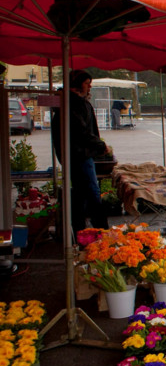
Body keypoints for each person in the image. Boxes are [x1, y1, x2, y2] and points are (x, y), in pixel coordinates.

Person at [51, 69, 109, 239]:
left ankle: (79, 234)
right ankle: (103, 234)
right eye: (87, 83)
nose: (89, 87)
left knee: (79, 196)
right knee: (92, 195)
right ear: (77, 84)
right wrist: (100, 145)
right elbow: (81, 131)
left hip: (75, 155)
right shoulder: (73, 103)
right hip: (80, 155)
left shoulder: (69, 101)